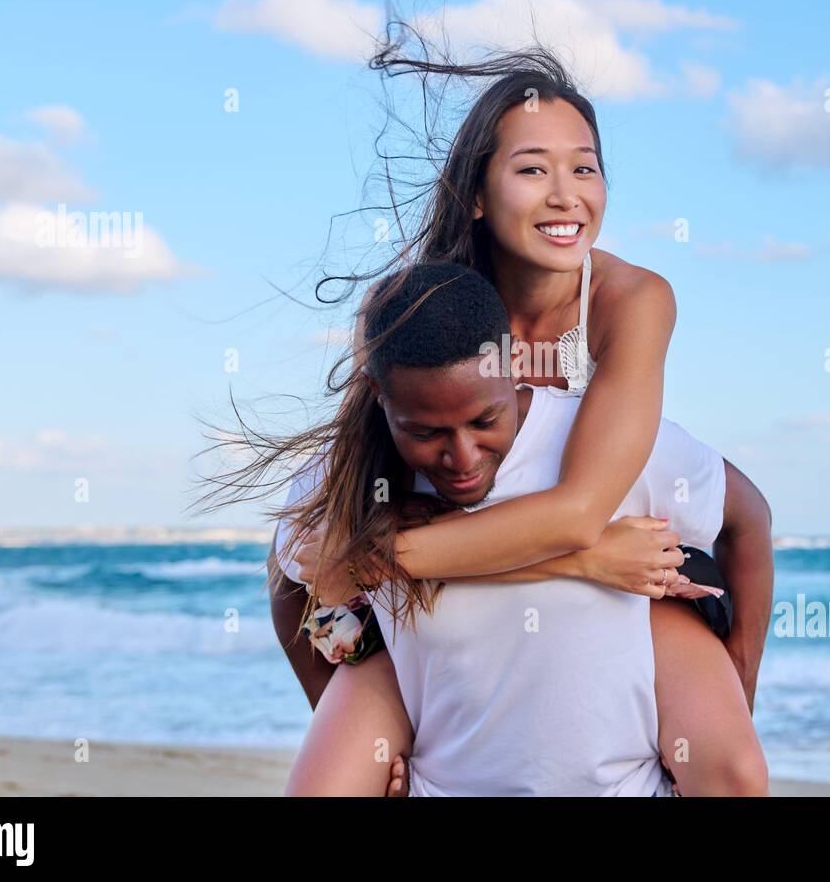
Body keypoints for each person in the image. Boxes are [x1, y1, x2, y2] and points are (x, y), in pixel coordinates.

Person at [250, 40, 774, 795]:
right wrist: (355, 715)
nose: (566, 195)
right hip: (503, 561)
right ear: (476, 193)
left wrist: (738, 684)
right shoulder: (425, 312)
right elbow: (318, 529)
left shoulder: (630, 301)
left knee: (730, 760)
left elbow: (587, 513)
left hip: (617, 543)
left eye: (584, 168)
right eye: (533, 169)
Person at [279, 262, 768, 795]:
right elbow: (291, 585)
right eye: (424, 432)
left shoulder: (602, 443)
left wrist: (741, 690)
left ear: (515, 364)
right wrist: (364, 742)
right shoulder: (353, 474)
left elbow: (747, 519)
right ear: (378, 392)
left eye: (485, 421)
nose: (461, 457)